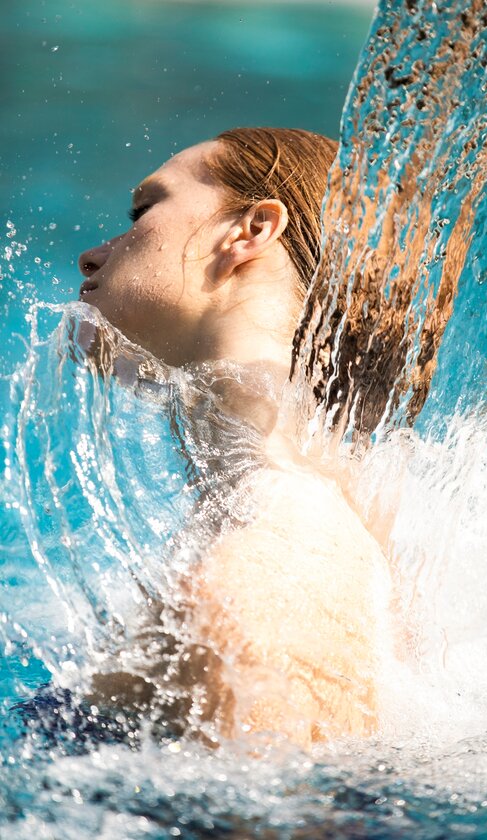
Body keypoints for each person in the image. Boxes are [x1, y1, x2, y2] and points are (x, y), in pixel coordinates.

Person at [77, 128, 394, 748]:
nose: (91, 255)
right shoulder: (282, 517)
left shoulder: (272, 557)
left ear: (249, 232)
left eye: (143, 210)